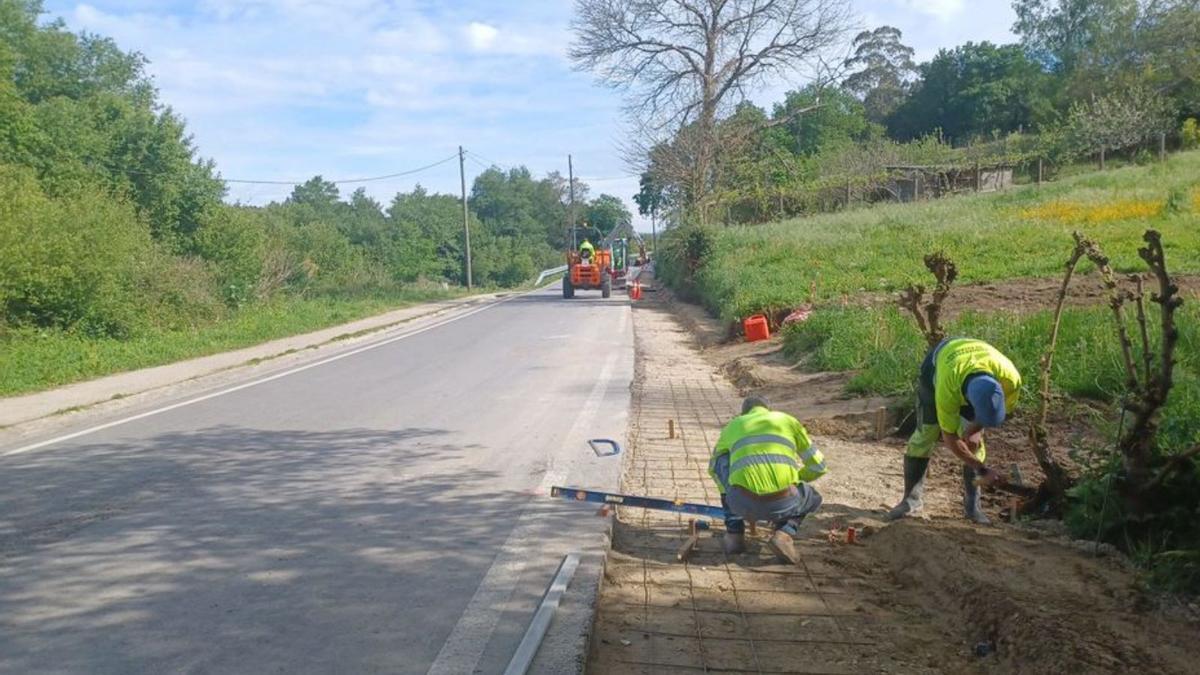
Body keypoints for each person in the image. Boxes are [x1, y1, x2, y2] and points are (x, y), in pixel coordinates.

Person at [886, 337, 1022, 525]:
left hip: (972, 370)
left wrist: (976, 429)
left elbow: (994, 410)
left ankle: (973, 508)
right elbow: (949, 437)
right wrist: (981, 469)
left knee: (975, 444)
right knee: (926, 434)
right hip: (939, 367)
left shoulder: (1010, 379)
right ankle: (911, 500)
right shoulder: (947, 390)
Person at [709, 396, 827, 564]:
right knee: (812, 496)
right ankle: (784, 533)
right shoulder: (788, 421)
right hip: (784, 503)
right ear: (768, 410)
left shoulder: (733, 425)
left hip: (740, 503)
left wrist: (729, 492)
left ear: (744, 413)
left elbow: (713, 468)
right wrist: (793, 480)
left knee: (721, 460)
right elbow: (819, 466)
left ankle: (734, 535)